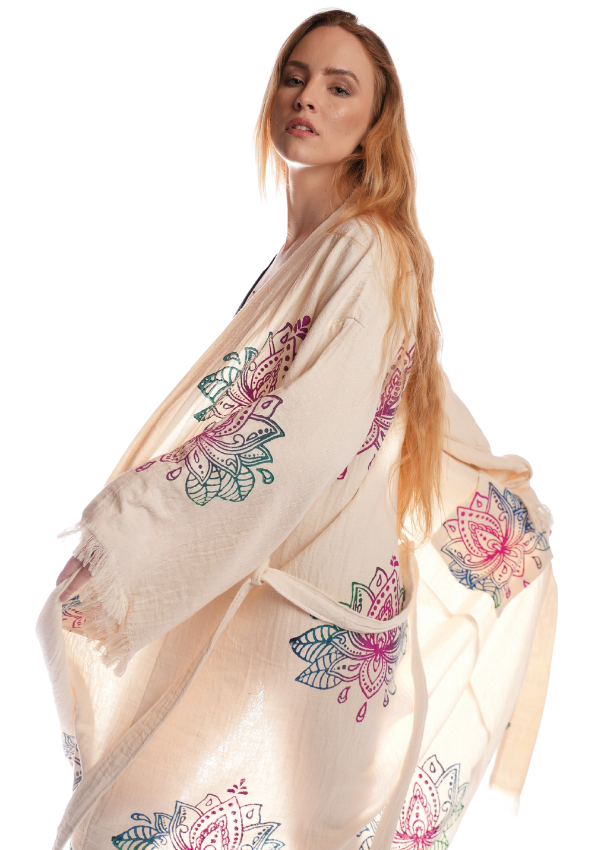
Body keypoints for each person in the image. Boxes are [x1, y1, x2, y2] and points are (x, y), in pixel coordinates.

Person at [39, 10, 557, 850]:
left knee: (191, 825)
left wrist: (133, 533)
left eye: (338, 86)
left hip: (317, 608)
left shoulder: (370, 251)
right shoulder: (306, 255)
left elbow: (303, 437)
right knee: (139, 814)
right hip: (269, 588)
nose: (306, 97)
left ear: (374, 123)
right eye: (295, 75)